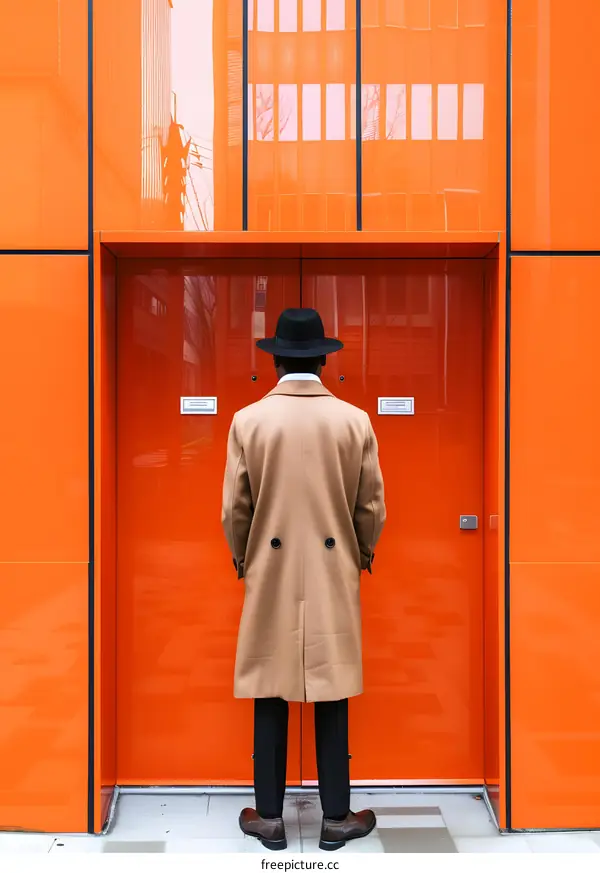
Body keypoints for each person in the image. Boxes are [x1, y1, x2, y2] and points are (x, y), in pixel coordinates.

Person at [221, 308, 386, 852]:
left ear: (276, 362)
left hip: (270, 567)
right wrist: (361, 554)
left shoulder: (248, 420)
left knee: (270, 685)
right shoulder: (354, 420)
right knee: (331, 688)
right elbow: (371, 507)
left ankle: (268, 817)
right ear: (322, 359)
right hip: (331, 567)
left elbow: (234, 510)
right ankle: (335, 819)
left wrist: (247, 561)